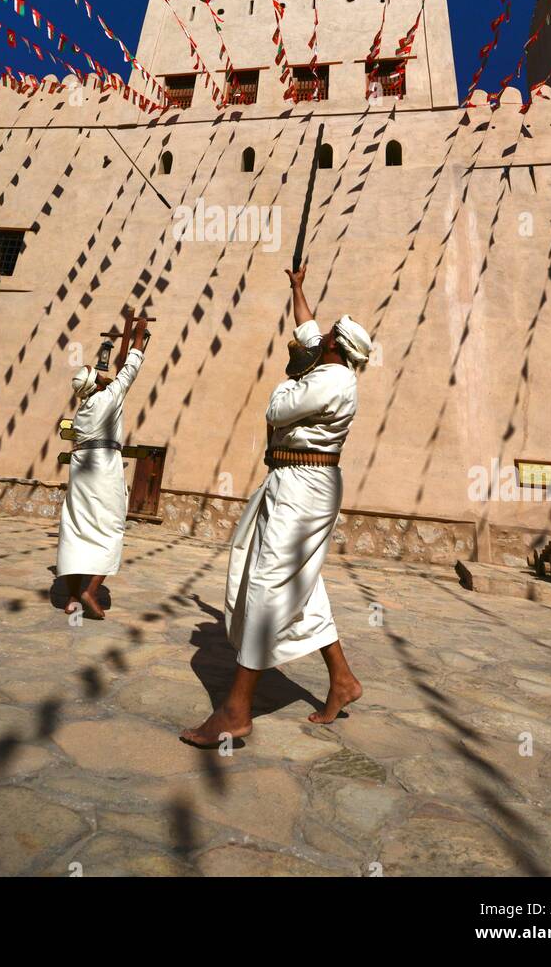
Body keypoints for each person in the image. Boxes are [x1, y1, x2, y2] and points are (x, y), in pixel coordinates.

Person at [181, 264, 370, 746]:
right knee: (301, 584)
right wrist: (298, 288)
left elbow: (276, 408)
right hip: (292, 481)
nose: (318, 334)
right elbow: (305, 327)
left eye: (326, 335)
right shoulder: (327, 363)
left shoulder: (332, 381)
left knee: (267, 581)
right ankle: (343, 680)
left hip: (304, 487)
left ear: (335, 348)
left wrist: (291, 373)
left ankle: (236, 709)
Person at [56, 316, 149, 619]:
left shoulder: (83, 410)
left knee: (76, 529)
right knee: (110, 528)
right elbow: (131, 369)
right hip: (104, 469)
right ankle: (90, 590)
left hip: (81, 471)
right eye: (98, 375)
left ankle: (71, 597)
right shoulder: (109, 398)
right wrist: (138, 336)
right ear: (96, 385)